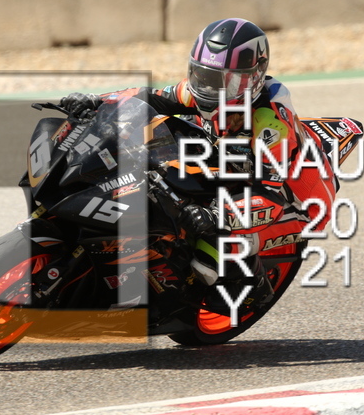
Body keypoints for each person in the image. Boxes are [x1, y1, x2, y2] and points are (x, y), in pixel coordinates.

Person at [60, 18, 337, 296]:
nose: (208, 88)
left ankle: (253, 290)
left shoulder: (270, 126)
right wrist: (97, 101)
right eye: (203, 76)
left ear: (254, 77)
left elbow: (270, 196)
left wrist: (216, 215)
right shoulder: (202, 90)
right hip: (239, 164)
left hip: (296, 205)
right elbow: (150, 97)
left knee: (208, 258)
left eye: (225, 81)